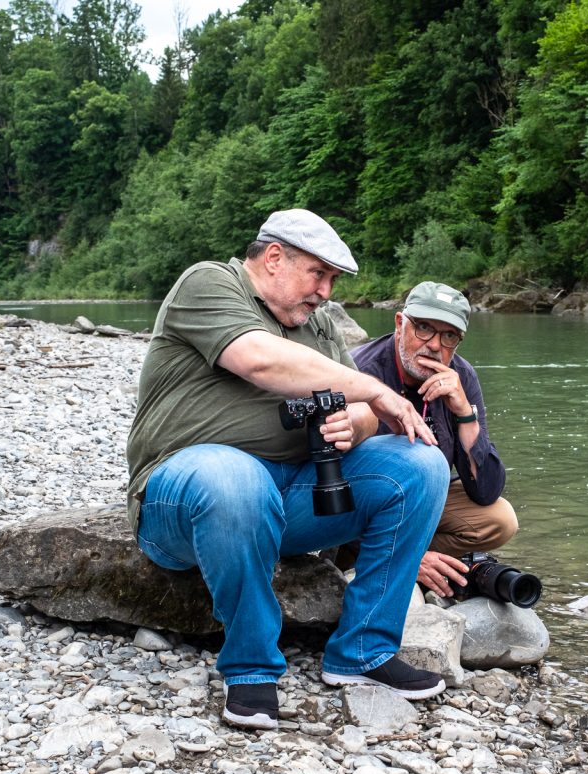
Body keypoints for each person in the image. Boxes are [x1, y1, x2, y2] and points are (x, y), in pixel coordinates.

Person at [125, 209, 451, 731]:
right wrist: (375, 390)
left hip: (290, 496)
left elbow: (357, 405)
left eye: (332, 280)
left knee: (420, 465)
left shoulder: (316, 321)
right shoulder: (209, 284)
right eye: (318, 275)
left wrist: (359, 425)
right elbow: (258, 359)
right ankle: (251, 666)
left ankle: (363, 651)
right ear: (274, 257)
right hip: (183, 493)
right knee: (235, 478)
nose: (325, 291)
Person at [350, 281, 518, 597]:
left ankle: (419, 561)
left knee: (500, 519)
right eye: (424, 328)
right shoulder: (358, 370)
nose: (434, 345)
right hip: (358, 512)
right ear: (400, 324)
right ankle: (393, 562)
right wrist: (409, 558)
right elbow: (330, 486)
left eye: (449, 336)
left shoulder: (461, 377)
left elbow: (486, 491)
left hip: (419, 500)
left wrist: (464, 414)